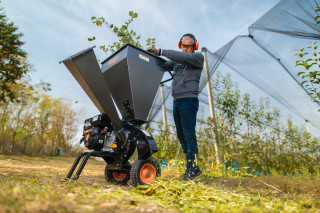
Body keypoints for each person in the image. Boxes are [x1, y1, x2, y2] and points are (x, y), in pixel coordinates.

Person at [147, 33, 204, 180]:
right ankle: (194, 167)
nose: (185, 49)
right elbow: (164, 65)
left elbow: (181, 57)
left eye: (189, 46)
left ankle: (191, 168)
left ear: (194, 47)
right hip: (177, 101)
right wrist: (147, 57)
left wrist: (161, 51)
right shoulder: (178, 62)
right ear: (180, 45)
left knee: (189, 135)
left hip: (189, 100)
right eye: (183, 46)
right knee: (181, 135)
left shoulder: (198, 58)